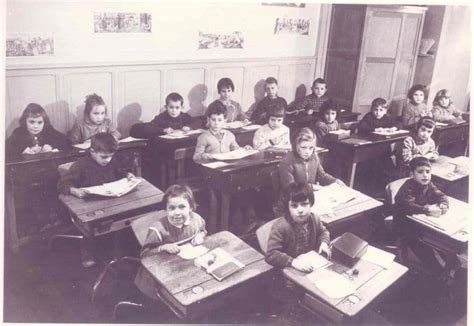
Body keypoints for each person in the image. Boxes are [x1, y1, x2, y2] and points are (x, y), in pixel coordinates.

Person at [57, 132, 134, 267]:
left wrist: (127, 175)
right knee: (91, 227)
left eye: (111, 156)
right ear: (92, 151)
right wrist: (74, 190)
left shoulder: (111, 161)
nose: (108, 160)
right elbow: (62, 184)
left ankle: (121, 248)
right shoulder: (81, 165)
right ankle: (87, 251)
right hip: (90, 204)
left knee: (126, 218)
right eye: (104, 157)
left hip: (111, 201)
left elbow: (118, 173)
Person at [266, 182, 331, 325]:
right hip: (285, 275)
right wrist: (293, 262)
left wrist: (324, 243)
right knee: (298, 308)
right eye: (294, 206)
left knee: (325, 292)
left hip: (310, 268)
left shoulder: (314, 219)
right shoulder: (281, 226)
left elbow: (324, 232)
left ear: (311, 203)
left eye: (304, 204)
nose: (300, 210)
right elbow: (271, 254)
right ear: (287, 208)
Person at [134, 184, 207, 299]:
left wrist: (200, 235)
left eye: (182, 207)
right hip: (157, 278)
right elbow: (144, 255)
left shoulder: (196, 219)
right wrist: (162, 247)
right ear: (166, 209)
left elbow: (203, 230)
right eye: (172, 208)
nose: (177, 212)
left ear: (191, 208)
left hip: (183, 269)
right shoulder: (158, 229)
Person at [394, 156, 449, 275]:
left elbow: (441, 195)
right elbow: (408, 206)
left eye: (428, 172)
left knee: (442, 242)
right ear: (412, 174)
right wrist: (427, 210)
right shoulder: (408, 188)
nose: (425, 175)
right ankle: (437, 271)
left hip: (419, 222)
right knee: (422, 247)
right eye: (420, 172)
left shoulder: (429, 185)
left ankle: (450, 265)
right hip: (404, 225)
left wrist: (444, 204)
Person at [277, 127, 343, 216]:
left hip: (309, 198)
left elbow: (322, 175)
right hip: (291, 202)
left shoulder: (314, 157)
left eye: (311, 148)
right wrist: (312, 187)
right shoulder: (287, 161)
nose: (307, 152)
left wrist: (335, 181)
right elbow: (291, 188)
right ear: (295, 145)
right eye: (303, 147)